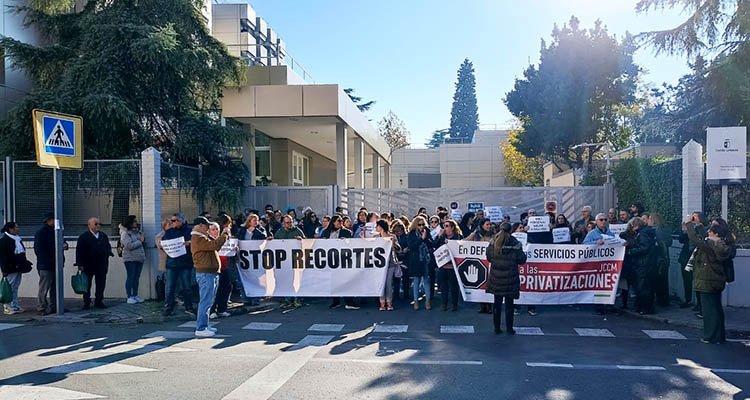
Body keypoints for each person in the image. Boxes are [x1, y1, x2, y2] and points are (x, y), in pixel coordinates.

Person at [685, 219, 730, 344]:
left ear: (715, 234)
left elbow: (696, 241)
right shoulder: (721, 245)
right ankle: (719, 335)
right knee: (716, 308)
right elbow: (704, 238)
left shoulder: (711, 245)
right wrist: (699, 225)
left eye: (710, 231)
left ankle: (710, 336)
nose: (708, 233)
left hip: (707, 280)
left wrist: (689, 225)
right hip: (716, 280)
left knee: (709, 311)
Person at [191, 216, 229, 337]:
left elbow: (213, 245)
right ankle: (201, 328)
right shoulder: (198, 238)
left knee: (208, 301)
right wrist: (224, 235)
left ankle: (204, 325)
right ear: (200, 226)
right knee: (205, 301)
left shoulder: (200, 237)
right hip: (206, 273)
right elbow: (214, 245)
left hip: (209, 272)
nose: (208, 228)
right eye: (206, 226)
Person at [486, 222, 527, 335]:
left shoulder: (493, 241)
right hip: (510, 278)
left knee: (497, 304)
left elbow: (489, 258)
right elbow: (522, 260)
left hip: (496, 278)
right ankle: (509, 328)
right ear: (510, 230)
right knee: (509, 305)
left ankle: (497, 328)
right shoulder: (515, 243)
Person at [75, 217, 113, 310]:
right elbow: (79, 251)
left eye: (99, 224)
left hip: (101, 264)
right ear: (89, 225)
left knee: (101, 283)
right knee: (87, 284)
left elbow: (108, 246)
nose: (98, 226)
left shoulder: (103, 236)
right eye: (96, 224)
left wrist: (108, 253)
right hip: (88, 264)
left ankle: (99, 301)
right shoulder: (84, 237)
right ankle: (86, 302)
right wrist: (80, 264)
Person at [161, 213, 195, 316]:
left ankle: (189, 307)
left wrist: (189, 243)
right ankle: (168, 308)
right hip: (172, 264)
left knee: (187, 287)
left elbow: (195, 243)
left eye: (174, 220)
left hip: (185, 263)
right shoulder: (169, 232)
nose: (172, 223)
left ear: (181, 221)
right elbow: (163, 244)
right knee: (170, 287)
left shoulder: (189, 231)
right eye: (171, 221)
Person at [322, 216, 357, 309]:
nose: (340, 222)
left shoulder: (347, 232)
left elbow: (352, 244)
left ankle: (348, 301)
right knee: (334, 281)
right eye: (338, 221)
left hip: (343, 259)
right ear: (333, 222)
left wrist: (345, 241)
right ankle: (335, 301)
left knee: (346, 281)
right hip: (331, 260)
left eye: (341, 221)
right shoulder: (326, 232)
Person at [625, 217, 657, 315]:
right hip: (647, 264)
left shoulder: (642, 235)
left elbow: (644, 248)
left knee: (643, 288)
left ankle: (646, 308)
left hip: (643, 264)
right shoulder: (646, 233)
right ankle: (644, 307)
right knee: (645, 288)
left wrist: (630, 251)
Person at [34, 212, 62, 315]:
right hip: (46, 265)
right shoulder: (42, 233)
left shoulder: (56, 231)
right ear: (49, 220)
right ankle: (41, 307)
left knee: (55, 286)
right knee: (44, 286)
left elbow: (61, 242)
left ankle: (55, 305)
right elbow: (39, 249)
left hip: (55, 263)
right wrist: (48, 260)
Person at [0, 222, 32, 315]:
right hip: (10, 268)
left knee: (15, 287)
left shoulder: (17, 239)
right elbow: (3, 257)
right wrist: (4, 269)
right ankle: (7, 307)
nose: (18, 229)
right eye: (16, 227)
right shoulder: (4, 241)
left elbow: (21, 253)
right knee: (9, 288)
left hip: (18, 267)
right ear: (11, 229)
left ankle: (14, 305)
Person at [678, 211, 706, 310]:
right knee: (687, 280)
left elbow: (698, 240)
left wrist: (693, 226)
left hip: (696, 258)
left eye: (695, 217)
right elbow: (681, 239)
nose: (692, 219)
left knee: (698, 282)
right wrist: (685, 229)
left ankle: (699, 303)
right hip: (686, 258)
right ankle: (688, 299)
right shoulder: (689, 229)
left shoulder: (701, 229)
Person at [434, 219, 463, 312]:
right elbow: (434, 245)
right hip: (443, 266)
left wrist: (451, 243)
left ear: (452, 228)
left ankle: (454, 304)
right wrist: (439, 236)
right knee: (443, 286)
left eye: (447, 226)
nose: (445, 228)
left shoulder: (458, 237)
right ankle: (444, 303)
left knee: (454, 286)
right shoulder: (442, 237)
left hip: (453, 267)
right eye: (444, 226)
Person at [211, 216, 236, 319]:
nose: (216, 231)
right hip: (214, 267)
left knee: (226, 287)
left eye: (217, 229)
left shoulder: (223, 238)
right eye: (213, 229)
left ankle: (222, 308)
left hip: (224, 265)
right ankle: (212, 309)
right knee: (214, 289)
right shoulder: (210, 240)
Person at [466, 218, 494, 314]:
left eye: (490, 224)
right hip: (479, 264)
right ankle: (482, 306)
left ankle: (489, 306)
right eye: (487, 224)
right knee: (481, 284)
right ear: (482, 225)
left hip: (490, 263)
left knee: (489, 285)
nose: (489, 226)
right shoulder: (475, 235)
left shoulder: (493, 235)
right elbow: (464, 242)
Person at [645, 212, 672, 307]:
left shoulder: (656, 230)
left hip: (659, 258)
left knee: (659, 281)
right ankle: (664, 300)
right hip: (664, 258)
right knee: (664, 281)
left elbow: (660, 244)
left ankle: (661, 301)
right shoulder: (665, 229)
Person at [407, 215, 433, 311]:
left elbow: (431, 244)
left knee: (426, 279)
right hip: (416, 260)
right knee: (416, 280)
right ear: (415, 225)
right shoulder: (411, 234)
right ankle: (416, 300)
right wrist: (421, 239)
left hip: (425, 259)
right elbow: (412, 247)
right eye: (419, 225)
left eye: (423, 224)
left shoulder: (427, 232)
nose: (422, 226)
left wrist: (426, 238)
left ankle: (427, 300)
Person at [120, 215, 146, 305]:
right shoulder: (125, 233)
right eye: (134, 221)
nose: (136, 223)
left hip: (139, 257)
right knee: (131, 276)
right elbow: (129, 246)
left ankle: (135, 294)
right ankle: (129, 296)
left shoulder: (137, 232)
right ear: (130, 223)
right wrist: (140, 241)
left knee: (136, 277)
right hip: (130, 258)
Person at [375, 220, 400, 311]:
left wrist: (393, 243)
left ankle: (389, 302)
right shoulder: (376, 237)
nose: (376, 228)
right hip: (379, 264)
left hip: (390, 262)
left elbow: (398, 248)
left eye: (377, 226)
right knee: (381, 283)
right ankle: (382, 302)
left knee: (389, 283)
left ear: (381, 227)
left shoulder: (392, 236)